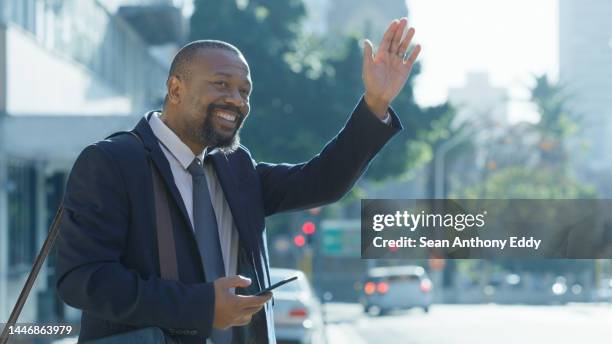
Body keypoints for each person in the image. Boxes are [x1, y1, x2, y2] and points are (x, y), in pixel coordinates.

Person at [56, 17, 421, 344]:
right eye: (221, 84)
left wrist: (375, 103)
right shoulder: (112, 162)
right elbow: (82, 280)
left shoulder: (236, 167)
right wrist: (202, 306)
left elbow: (321, 181)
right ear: (176, 88)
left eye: (244, 91)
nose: (236, 100)